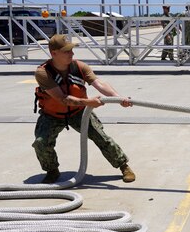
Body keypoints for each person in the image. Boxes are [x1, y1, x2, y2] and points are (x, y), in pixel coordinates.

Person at [33, 34, 136, 184]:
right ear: (54, 53)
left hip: (78, 112)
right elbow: (62, 98)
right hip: (52, 115)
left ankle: (123, 166)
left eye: (71, 50)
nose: (72, 54)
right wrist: (89, 102)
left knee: (101, 137)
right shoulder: (43, 72)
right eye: (67, 51)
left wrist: (118, 97)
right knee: (41, 142)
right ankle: (52, 170)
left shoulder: (79, 67)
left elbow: (98, 83)